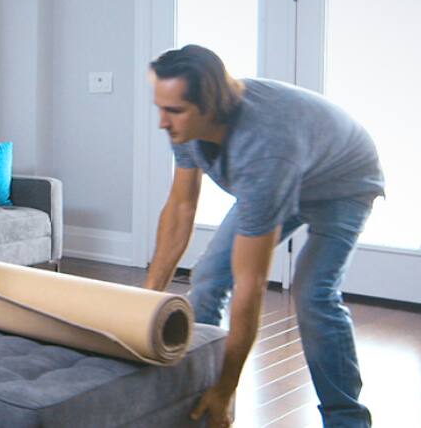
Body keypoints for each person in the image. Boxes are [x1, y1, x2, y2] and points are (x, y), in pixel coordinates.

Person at [143, 45, 384, 428]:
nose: (162, 122)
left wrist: (228, 388)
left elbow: (250, 286)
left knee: (313, 295)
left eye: (172, 111)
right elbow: (180, 207)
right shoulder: (186, 122)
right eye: (160, 107)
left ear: (208, 106)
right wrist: (145, 304)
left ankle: (346, 419)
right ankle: (194, 393)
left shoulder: (264, 150)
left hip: (343, 183)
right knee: (206, 278)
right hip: (289, 167)